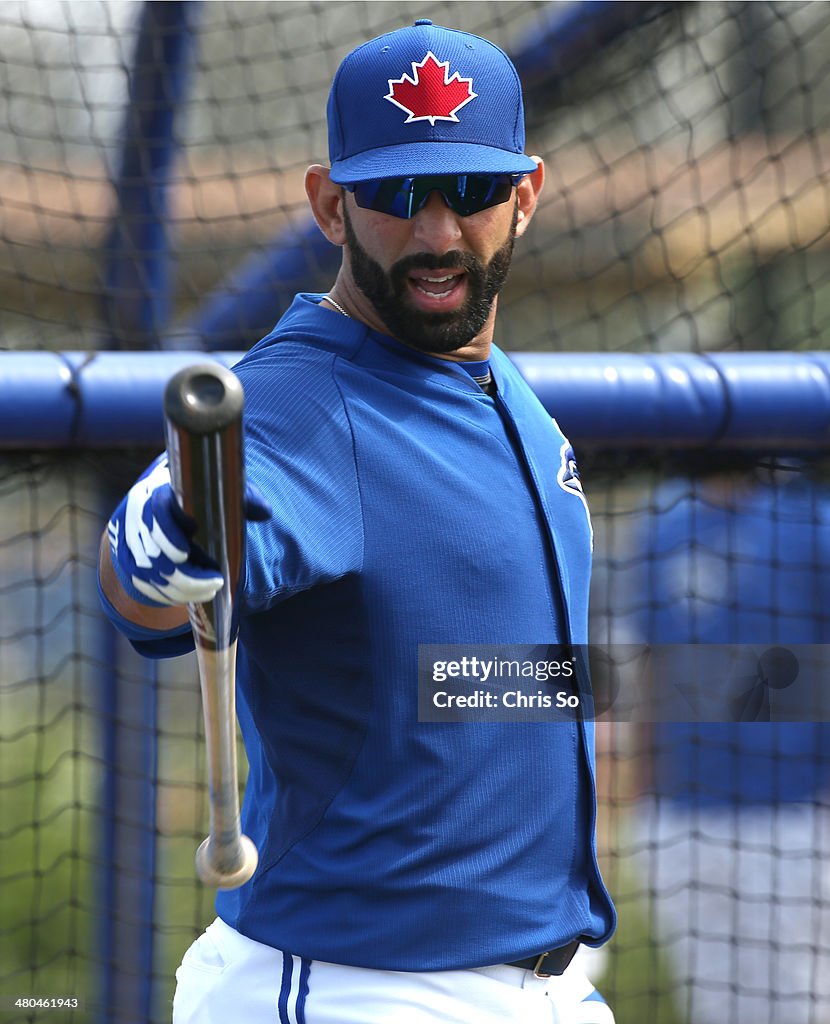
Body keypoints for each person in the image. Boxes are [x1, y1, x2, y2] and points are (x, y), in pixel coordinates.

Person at [98, 20, 616, 1024]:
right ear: (330, 206)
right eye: (392, 196)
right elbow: (152, 589)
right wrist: (157, 544)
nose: (434, 234)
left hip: (541, 988)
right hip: (354, 988)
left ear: (527, 195)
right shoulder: (303, 403)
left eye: (467, 193)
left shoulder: (496, 387)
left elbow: (460, 670)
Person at [618, 467, 830, 1024]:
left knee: (796, 1005)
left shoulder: (813, 519)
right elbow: (650, 663)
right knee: (710, 1004)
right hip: (682, 812)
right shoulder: (663, 520)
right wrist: (639, 794)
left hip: (793, 818)